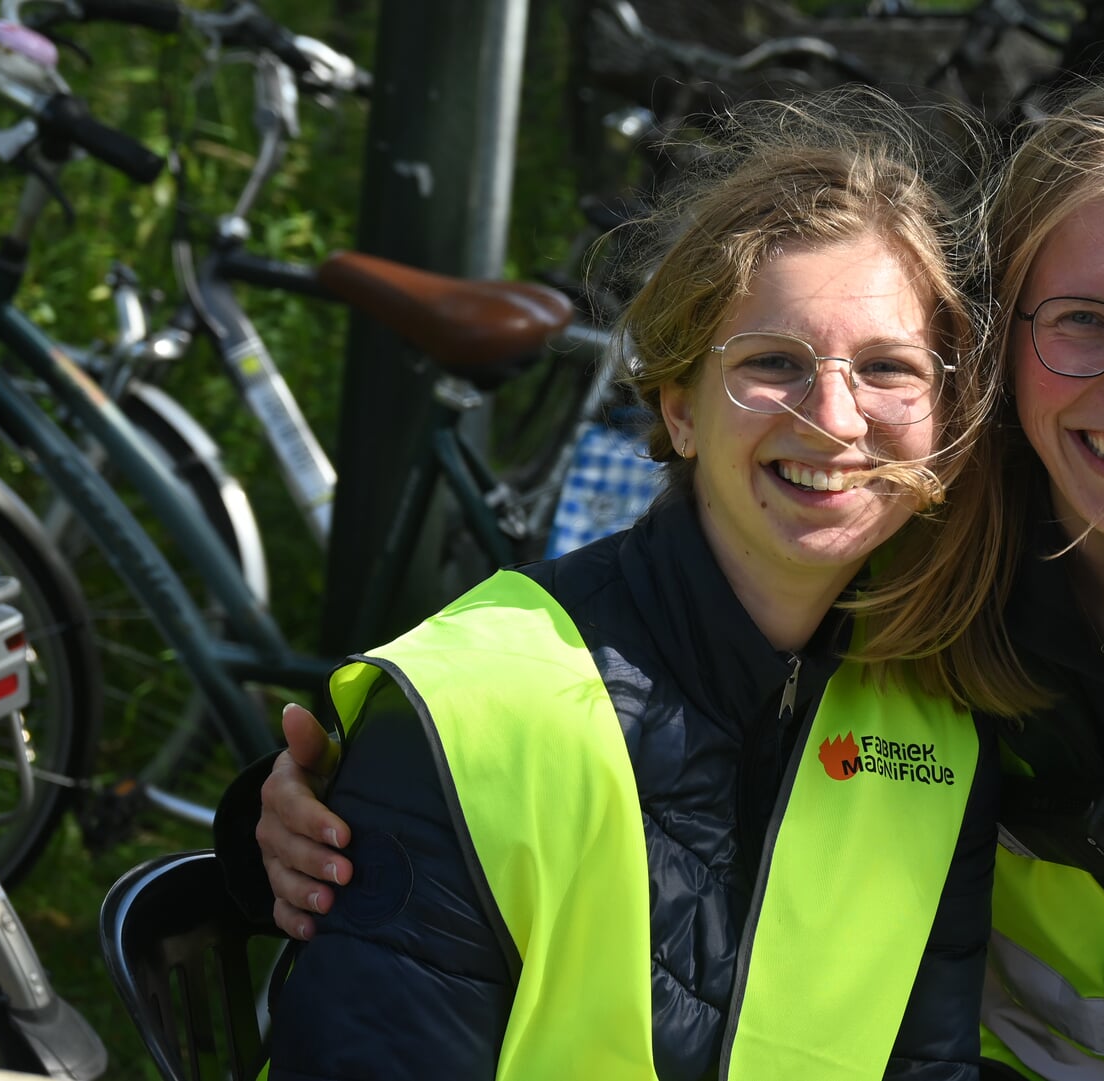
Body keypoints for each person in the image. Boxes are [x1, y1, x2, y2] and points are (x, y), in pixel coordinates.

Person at [249, 75, 1104, 1080]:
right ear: (1000, 364)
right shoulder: (929, 558)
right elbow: (559, 725)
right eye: (1078, 323)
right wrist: (329, 799)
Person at [223, 90, 1004, 1081]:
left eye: (889, 367)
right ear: (678, 407)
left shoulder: (937, 723)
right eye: (773, 361)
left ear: (942, 413)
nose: (835, 418)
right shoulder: (479, 710)